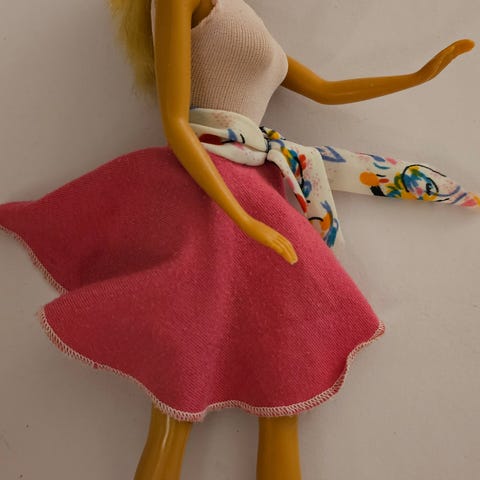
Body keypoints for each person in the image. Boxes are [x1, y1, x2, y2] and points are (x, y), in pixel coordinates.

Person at [0, 1, 474, 479]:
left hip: (257, 189)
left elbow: (325, 89)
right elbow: (176, 125)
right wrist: (242, 217)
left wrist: (419, 76)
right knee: (181, 388)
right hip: (208, 193)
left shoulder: (247, 18)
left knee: (283, 385)